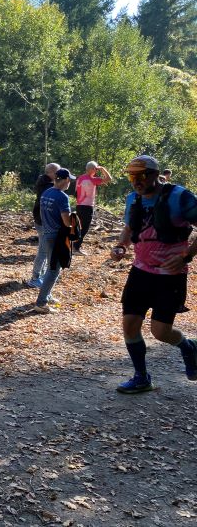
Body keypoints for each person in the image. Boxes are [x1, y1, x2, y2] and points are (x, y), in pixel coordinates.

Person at [110, 155, 197, 393]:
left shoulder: (180, 197)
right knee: (129, 325)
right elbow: (130, 227)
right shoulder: (133, 199)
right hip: (141, 271)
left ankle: (188, 347)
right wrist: (121, 246)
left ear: (155, 175)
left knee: (160, 332)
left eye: (141, 176)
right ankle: (141, 377)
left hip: (171, 275)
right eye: (132, 177)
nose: (136, 181)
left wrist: (186, 255)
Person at [33, 168, 76, 314]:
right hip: (57, 236)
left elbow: (42, 213)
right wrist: (74, 218)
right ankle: (41, 303)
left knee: (50, 266)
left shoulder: (46, 193)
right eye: (69, 180)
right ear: (65, 180)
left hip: (47, 233)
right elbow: (66, 222)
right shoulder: (62, 197)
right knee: (53, 270)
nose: (70, 183)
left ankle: (47, 295)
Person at [26, 163, 59, 288]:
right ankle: (35, 278)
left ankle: (40, 276)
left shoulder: (45, 183)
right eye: (57, 172)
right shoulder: (47, 187)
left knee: (45, 250)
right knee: (43, 251)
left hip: (42, 221)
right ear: (50, 173)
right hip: (43, 222)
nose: (58, 175)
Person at [73, 160, 112, 256]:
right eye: (96, 169)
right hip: (87, 206)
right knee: (84, 228)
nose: (96, 171)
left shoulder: (80, 178)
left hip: (79, 205)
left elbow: (76, 191)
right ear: (92, 169)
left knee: (79, 227)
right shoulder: (92, 179)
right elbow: (109, 178)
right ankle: (75, 248)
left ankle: (74, 246)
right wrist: (103, 169)